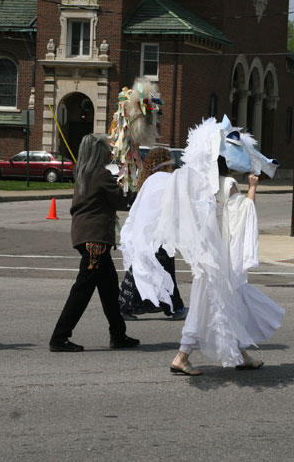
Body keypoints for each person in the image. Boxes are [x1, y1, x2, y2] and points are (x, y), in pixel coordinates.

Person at [120, 117, 283, 375]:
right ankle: (183, 356)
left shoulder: (201, 186)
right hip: (218, 256)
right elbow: (243, 215)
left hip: (208, 254)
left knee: (228, 303)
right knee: (211, 306)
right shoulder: (227, 185)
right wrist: (252, 188)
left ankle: (240, 355)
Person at [49, 134, 140, 352]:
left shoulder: (85, 173)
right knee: (83, 289)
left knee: (109, 289)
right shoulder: (100, 175)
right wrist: (132, 184)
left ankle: (118, 335)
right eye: (107, 150)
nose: (111, 153)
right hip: (95, 238)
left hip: (88, 236)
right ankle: (59, 337)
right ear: (99, 153)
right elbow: (120, 200)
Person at [118, 147, 188, 321]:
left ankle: (133, 304)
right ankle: (174, 307)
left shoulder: (150, 180)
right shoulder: (167, 180)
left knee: (144, 268)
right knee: (163, 270)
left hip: (145, 233)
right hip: (160, 234)